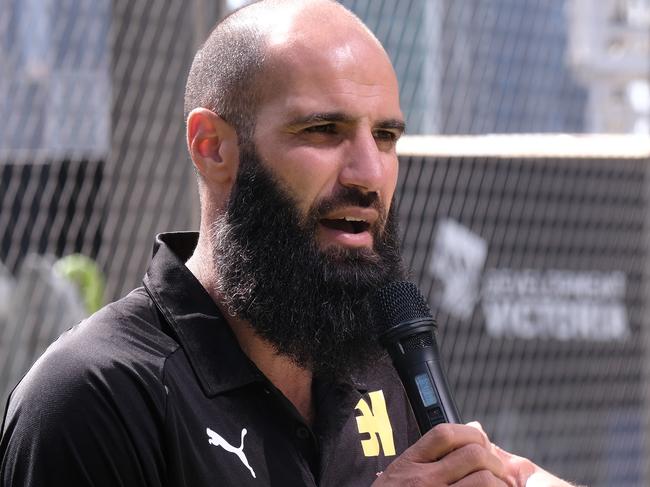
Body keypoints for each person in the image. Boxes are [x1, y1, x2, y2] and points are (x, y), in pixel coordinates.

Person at [1, 1, 577, 485]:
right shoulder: (95, 396)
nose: (368, 173)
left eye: (385, 136)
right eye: (323, 131)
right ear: (213, 147)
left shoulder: (381, 367)